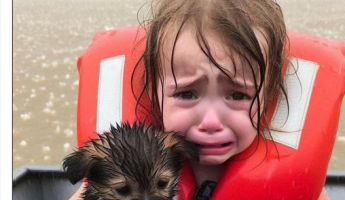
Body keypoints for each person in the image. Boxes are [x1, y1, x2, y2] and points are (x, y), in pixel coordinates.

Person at [70, 0, 331, 199]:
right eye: (186, 93)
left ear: (269, 97)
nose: (210, 121)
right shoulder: (125, 159)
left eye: (238, 95)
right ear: (154, 92)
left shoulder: (291, 175)